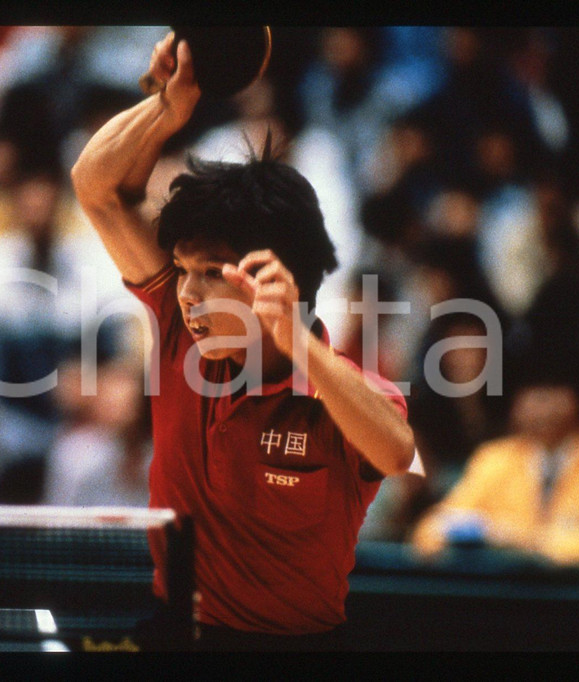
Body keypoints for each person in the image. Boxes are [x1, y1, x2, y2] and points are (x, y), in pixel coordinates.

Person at [71, 33, 415, 650]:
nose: (186, 292)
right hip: (173, 630)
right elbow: (95, 186)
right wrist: (166, 106)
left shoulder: (341, 393)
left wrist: (298, 342)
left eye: (211, 272)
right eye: (182, 270)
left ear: (267, 274)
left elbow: (395, 453)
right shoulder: (179, 330)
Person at [409, 345, 579, 567]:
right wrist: (482, 532)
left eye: (552, 392)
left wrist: (522, 539)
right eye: (529, 394)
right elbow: (431, 531)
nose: (541, 406)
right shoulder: (493, 458)